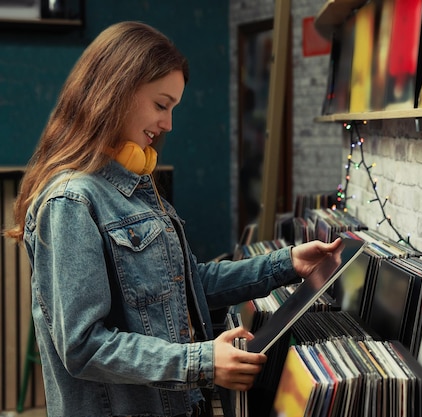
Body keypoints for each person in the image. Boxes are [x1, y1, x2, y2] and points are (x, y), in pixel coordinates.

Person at [4, 21, 344, 417]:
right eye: (161, 105)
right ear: (115, 93)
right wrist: (202, 362)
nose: (168, 124)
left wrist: (286, 263)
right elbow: (84, 346)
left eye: (172, 109)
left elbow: (185, 285)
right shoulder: (71, 202)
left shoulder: (133, 186)